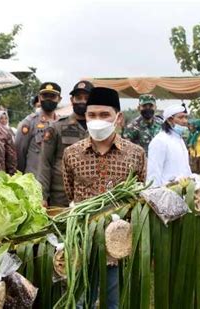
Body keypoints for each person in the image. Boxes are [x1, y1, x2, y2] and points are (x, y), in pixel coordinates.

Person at [62, 87, 146, 309]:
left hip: (118, 243)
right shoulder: (72, 154)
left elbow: (138, 196)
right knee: (81, 301)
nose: (97, 120)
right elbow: (70, 193)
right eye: (92, 115)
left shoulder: (135, 154)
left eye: (104, 115)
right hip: (82, 242)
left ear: (118, 118)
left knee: (114, 302)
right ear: (85, 117)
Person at [38, 80, 93, 207]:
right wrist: (43, 196)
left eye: (87, 98)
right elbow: (45, 163)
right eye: (78, 98)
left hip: (91, 196)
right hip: (61, 196)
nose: (82, 101)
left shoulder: (99, 128)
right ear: (72, 100)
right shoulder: (57, 127)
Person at [15, 82, 61, 175]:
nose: (48, 99)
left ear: (59, 99)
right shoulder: (29, 123)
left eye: (52, 96)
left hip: (56, 181)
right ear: (39, 98)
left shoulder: (62, 123)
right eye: (45, 96)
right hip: (34, 179)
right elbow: (19, 153)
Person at [147, 104, 192, 187]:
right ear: (169, 120)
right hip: (167, 192)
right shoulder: (160, 141)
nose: (185, 121)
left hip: (182, 190)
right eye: (181, 117)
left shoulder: (180, 139)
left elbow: (185, 167)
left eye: (186, 117)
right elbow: (153, 173)